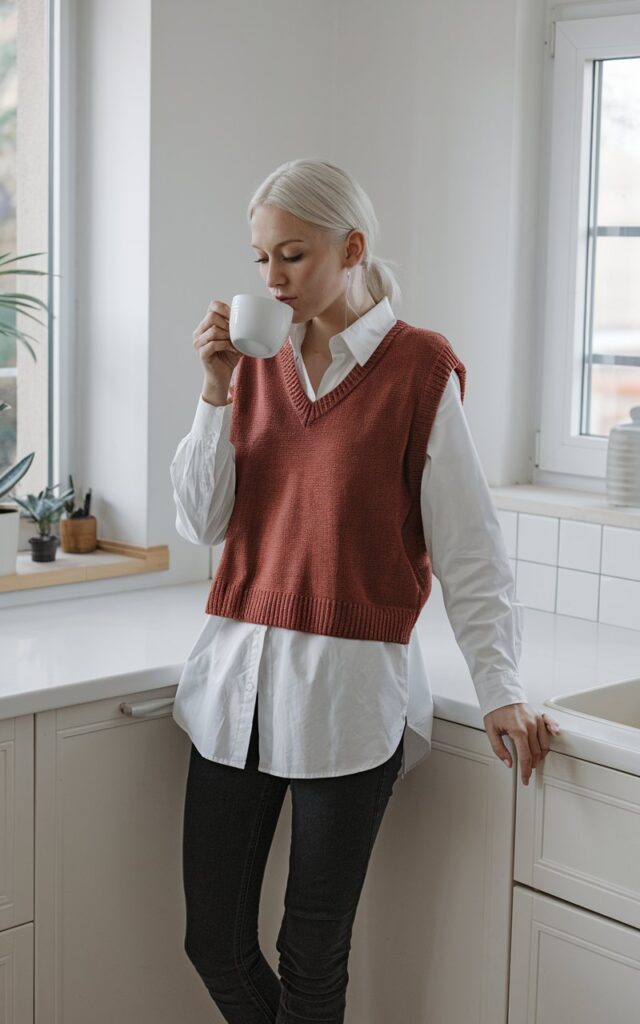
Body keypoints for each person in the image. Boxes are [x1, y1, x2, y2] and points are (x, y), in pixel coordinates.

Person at [169, 157, 561, 1024]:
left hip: (346, 701)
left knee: (312, 960)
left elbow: (470, 549)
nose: (272, 279)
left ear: (351, 249)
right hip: (235, 688)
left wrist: (500, 689)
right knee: (213, 943)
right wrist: (213, 390)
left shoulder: (419, 369)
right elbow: (200, 521)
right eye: (261, 259)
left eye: (293, 256)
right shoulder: (253, 364)